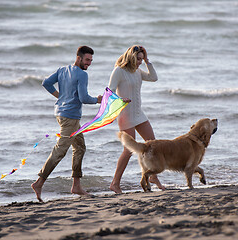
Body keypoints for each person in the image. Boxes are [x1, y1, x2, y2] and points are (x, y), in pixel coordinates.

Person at [31, 46, 102, 202]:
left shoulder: (62, 70)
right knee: (60, 150)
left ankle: (76, 185)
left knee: (80, 147)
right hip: (69, 118)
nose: (89, 63)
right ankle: (39, 182)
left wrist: (60, 97)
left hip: (62, 114)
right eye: (87, 60)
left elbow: (46, 83)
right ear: (79, 57)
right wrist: (97, 100)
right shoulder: (82, 75)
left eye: (91, 60)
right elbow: (83, 98)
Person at [108, 45, 165, 194]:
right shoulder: (119, 71)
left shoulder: (137, 71)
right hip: (125, 115)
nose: (140, 62)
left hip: (139, 114)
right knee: (128, 150)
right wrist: (121, 100)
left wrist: (147, 61)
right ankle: (115, 183)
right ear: (131, 57)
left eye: (141, 59)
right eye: (138, 59)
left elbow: (154, 78)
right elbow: (109, 92)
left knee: (153, 145)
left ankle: (152, 177)